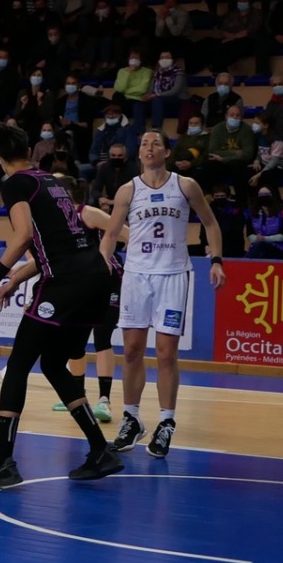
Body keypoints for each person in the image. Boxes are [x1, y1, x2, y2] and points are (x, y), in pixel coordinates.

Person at [0, 126, 123, 486]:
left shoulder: (15, 183)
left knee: (19, 363)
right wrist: (15, 281)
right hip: (95, 278)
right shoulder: (51, 181)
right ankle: (101, 449)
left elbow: (22, 237)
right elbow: (59, 241)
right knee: (53, 363)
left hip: (66, 282)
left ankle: (4, 463)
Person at [99, 129, 226, 458]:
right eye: (144, 143)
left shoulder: (185, 186)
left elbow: (211, 224)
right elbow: (111, 233)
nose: (150, 147)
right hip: (137, 276)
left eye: (156, 142)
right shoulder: (128, 190)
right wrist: (102, 266)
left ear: (167, 152)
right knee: (131, 350)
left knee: (167, 353)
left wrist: (216, 260)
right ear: (138, 153)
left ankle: (166, 422)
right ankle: (132, 418)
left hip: (172, 275)